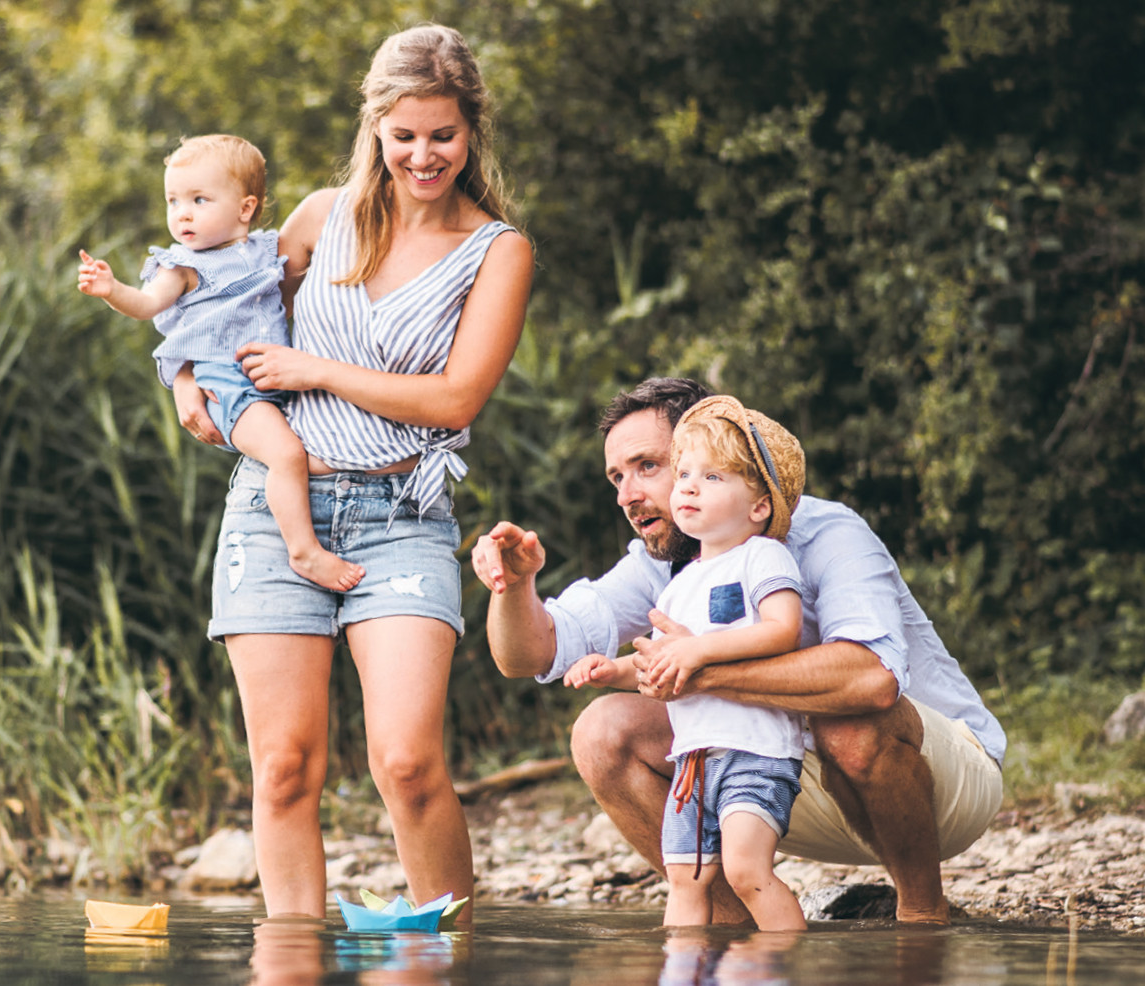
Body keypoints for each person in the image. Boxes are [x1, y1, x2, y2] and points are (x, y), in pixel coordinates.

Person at [174, 25, 534, 922]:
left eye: (442, 135)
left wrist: (319, 372)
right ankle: (291, 957)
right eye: (404, 134)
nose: (423, 155)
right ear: (376, 126)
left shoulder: (496, 250)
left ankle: (449, 955)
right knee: (286, 768)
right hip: (275, 508)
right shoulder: (317, 219)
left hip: (399, 513)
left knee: (407, 763)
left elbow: (455, 401)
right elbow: (215, 307)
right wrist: (184, 376)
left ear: (471, 133)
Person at [472, 377, 1005, 926]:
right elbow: (530, 655)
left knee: (848, 717)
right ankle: (736, 936)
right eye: (617, 477)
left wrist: (701, 671)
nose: (626, 496)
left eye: (649, 467)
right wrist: (514, 588)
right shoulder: (665, 564)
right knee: (600, 733)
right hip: (773, 778)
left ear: (719, 451)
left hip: (943, 789)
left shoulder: (825, 532)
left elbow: (871, 679)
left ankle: (922, 919)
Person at [77, 134, 363, 592]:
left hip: (275, 379)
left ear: (245, 208)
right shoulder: (183, 267)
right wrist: (112, 290)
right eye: (173, 201)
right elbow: (147, 304)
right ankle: (304, 551)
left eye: (198, 199)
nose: (182, 213)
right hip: (228, 385)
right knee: (287, 454)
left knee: (301, 447)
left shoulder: (266, 251)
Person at [566, 395, 810, 931]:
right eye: (684, 476)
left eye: (713, 477)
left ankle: (786, 963)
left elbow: (781, 629)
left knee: (747, 870)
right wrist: (614, 671)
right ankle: (682, 966)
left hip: (755, 751)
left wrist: (698, 650)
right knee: (684, 876)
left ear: (759, 506)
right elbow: (659, 659)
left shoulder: (762, 556)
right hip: (692, 761)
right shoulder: (682, 583)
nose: (690, 487)